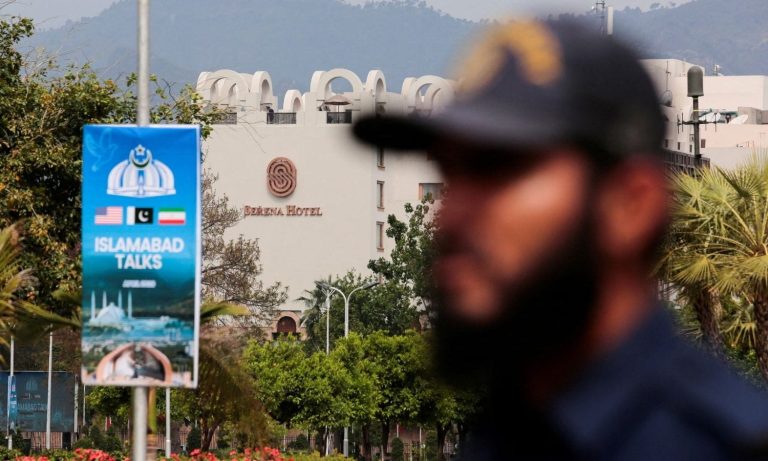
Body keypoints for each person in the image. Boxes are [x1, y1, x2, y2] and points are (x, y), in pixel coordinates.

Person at [354, 19, 768, 460]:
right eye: (449, 173)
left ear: (631, 204)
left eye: (497, 169)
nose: (450, 217)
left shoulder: (718, 446)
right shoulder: (507, 437)